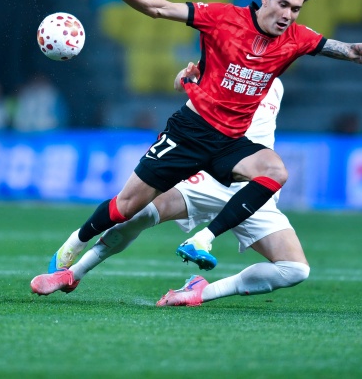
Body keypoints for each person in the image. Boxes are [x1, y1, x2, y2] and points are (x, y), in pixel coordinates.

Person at [31, 0, 362, 284]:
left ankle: (204, 239)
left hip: (230, 142)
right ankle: (73, 244)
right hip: (190, 133)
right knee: (125, 207)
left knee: (275, 171)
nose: (288, 15)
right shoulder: (222, 18)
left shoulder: (297, 39)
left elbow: (352, 51)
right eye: (283, 5)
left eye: (296, 9)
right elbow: (160, 8)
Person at [31, 66, 309, 307]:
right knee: (138, 214)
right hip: (211, 173)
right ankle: (72, 274)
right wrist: (185, 77)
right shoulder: (226, 64)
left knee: (295, 269)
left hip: (253, 187)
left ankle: (201, 291)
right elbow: (185, 81)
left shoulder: (276, 84)